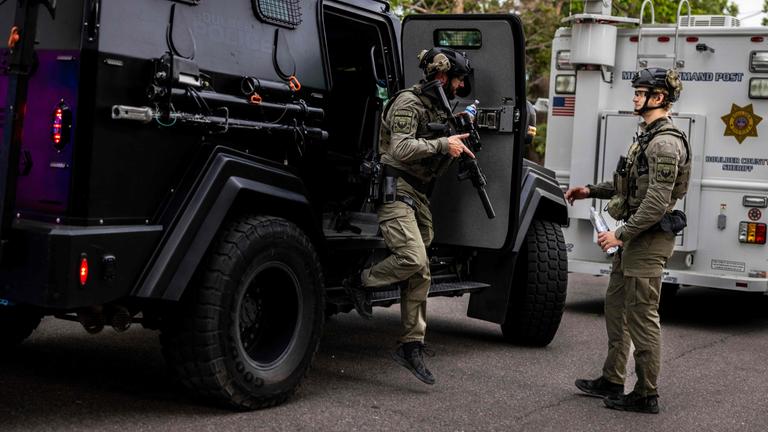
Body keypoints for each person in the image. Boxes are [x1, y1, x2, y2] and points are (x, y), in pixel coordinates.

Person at [344, 47, 476, 385]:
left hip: (417, 192)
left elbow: (436, 147)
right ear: (443, 77)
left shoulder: (437, 107)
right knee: (413, 258)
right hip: (395, 187)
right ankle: (359, 282)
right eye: (458, 81)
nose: (460, 88)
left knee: (422, 270)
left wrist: (458, 140)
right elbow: (400, 149)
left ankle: (411, 344)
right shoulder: (408, 103)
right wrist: (444, 145)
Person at [566, 67, 689, 414]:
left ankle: (646, 393)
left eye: (641, 92)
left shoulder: (665, 143)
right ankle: (612, 378)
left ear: (659, 97)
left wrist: (618, 235)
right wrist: (590, 190)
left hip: (646, 242)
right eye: (636, 92)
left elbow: (656, 203)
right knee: (617, 309)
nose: (635, 97)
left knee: (642, 317)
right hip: (634, 240)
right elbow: (629, 185)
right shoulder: (647, 136)